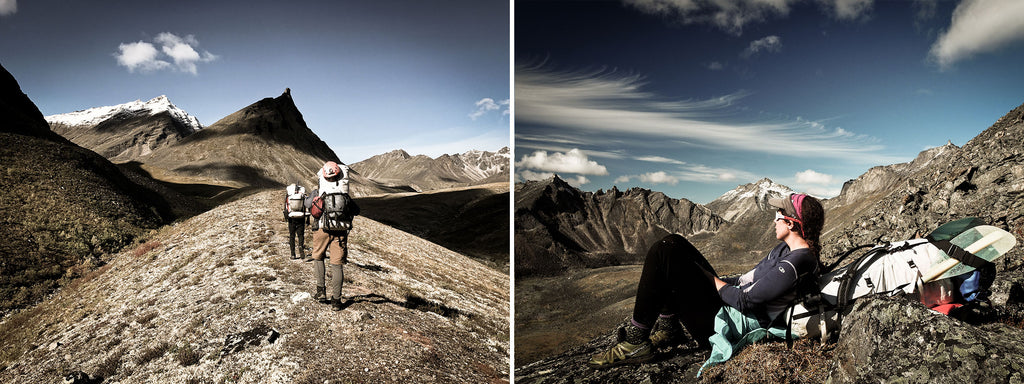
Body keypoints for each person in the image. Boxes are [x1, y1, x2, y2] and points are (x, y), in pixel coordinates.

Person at [587, 193, 825, 369]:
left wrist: (708, 280)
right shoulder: (786, 251)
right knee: (675, 243)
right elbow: (745, 279)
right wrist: (706, 277)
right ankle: (670, 329)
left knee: (663, 252)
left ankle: (635, 342)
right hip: (729, 308)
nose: (774, 219)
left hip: (727, 323)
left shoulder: (797, 262)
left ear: (791, 223)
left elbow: (747, 301)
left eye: (778, 215)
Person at [311, 161, 351, 311]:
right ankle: (336, 301)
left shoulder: (319, 191)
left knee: (318, 257)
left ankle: (321, 291)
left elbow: (312, 208)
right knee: (337, 264)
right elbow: (356, 210)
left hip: (322, 229)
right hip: (340, 231)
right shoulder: (344, 191)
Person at [283, 183, 308, 260]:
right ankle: (300, 246)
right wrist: (307, 218)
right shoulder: (302, 194)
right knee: (301, 235)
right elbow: (306, 205)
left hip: (292, 217)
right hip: (301, 217)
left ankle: (293, 254)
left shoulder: (289, 195)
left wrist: (286, 217)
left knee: (292, 236)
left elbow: (286, 207)